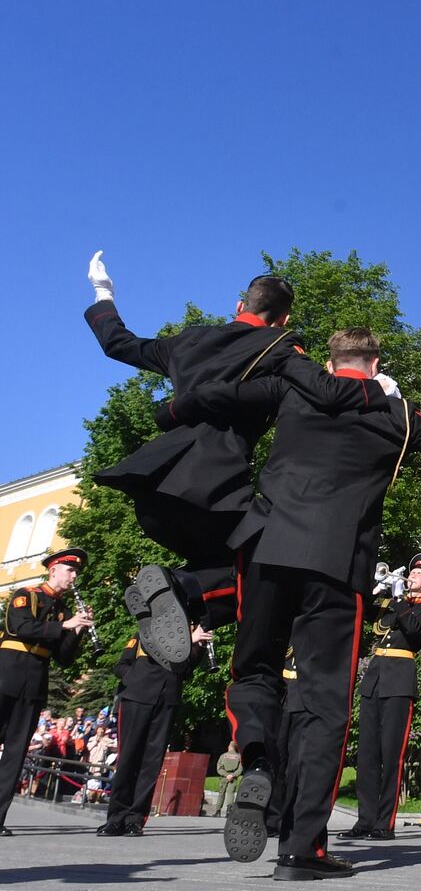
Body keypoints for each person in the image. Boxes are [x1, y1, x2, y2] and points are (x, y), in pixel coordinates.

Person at [157, 327, 421, 878]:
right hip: (338, 567)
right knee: (324, 707)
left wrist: (172, 410)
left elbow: (217, 396)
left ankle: (256, 756)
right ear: (375, 362)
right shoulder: (396, 414)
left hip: (269, 545)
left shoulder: (290, 386)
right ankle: (302, 850)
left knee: (253, 671)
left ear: (331, 359)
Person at [83, 253, 390, 668]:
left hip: (154, 485)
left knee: (222, 566)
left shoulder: (189, 339)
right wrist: (377, 392)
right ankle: (182, 587)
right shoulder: (281, 346)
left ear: (239, 307)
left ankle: (182, 589)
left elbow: (119, 344)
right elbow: (327, 393)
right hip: (214, 489)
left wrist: (104, 294)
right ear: (282, 320)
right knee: (269, 567)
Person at [342, 553, 421, 842]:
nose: (412, 576)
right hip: (375, 678)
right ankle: (364, 821)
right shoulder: (390, 603)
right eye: (411, 571)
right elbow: (360, 616)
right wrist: (374, 589)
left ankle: (383, 824)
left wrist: (399, 599)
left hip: (399, 681)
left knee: (391, 754)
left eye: (418, 574)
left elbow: (413, 630)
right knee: (367, 755)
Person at [0, 549, 94, 835]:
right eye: (70, 570)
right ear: (54, 570)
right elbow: (19, 626)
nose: (74, 576)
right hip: (7, 673)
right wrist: (64, 625)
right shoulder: (26, 594)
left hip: (34, 682)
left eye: (76, 572)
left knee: (16, 753)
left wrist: (76, 631)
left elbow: (63, 657)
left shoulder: (64, 609)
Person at [97, 627, 212, 836]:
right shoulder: (146, 631)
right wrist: (134, 680)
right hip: (137, 697)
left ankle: (135, 819)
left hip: (166, 699)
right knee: (128, 758)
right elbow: (121, 666)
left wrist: (197, 648)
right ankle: (115, 817)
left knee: (151, 762)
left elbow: (186, 671)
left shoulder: (187, 636)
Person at [215, 741, 243, 818]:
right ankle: (228, 812)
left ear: (229, 747)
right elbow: (240, 769)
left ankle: (217, 811)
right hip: (233, 778)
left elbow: (219, 768)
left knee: (221, 794)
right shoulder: (239, 757)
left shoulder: (223, 756)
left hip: (224, 777)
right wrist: (232, 775)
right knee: (230, 793)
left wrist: (226, 775)